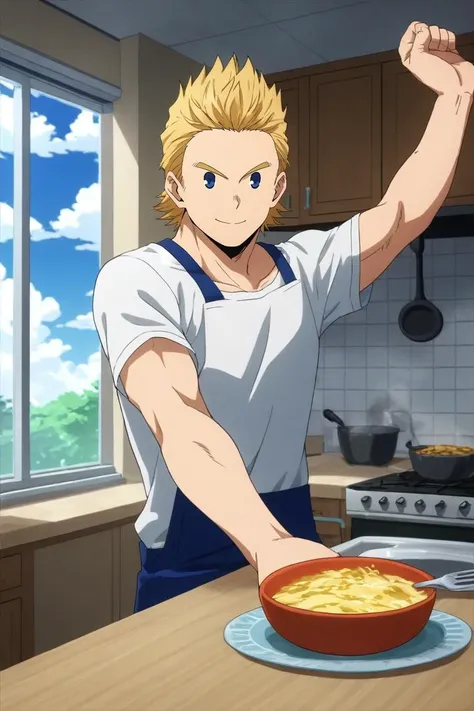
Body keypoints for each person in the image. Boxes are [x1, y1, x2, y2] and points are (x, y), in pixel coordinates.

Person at [93, 21, 473, 612]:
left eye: (253, 178)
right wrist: (268, 542)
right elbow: (179, 417)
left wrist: (455, 97)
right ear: (178, 185)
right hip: (193, 555)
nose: (234, 199)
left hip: (293, 528)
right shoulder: (139, 280)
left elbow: (401, 213)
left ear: (279, 187)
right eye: (211, 178)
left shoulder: (305, 269)